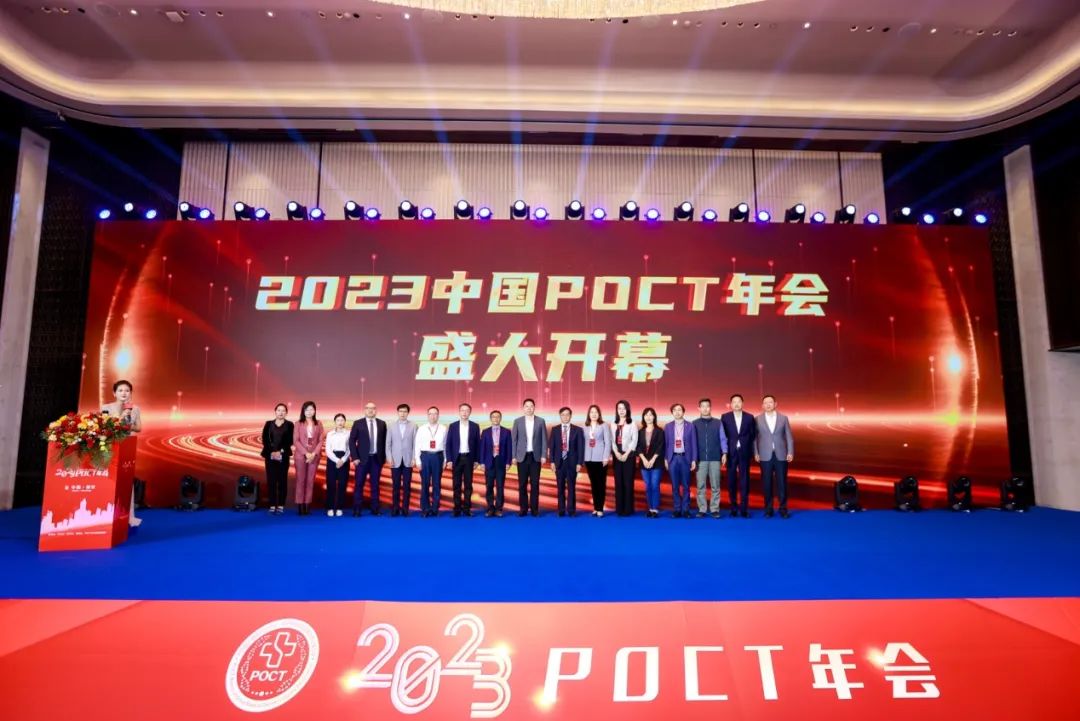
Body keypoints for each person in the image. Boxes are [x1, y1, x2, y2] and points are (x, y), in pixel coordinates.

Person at [102, 380, 143, 526]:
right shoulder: (106, 407)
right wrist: (121, 417)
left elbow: (139, 428)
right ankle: (106, 514)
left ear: (130, 393)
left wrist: (128, 423)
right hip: (111, 446)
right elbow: (104, 427)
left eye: (127, 390)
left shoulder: (135, 408)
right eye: (120, 390)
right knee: (110, 480)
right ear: (114, 393)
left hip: (127, 446)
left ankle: (126, 515)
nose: (124, 393)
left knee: (126, 480)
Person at [755, 394, 794, 518]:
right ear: (762, 405)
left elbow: (789, 437)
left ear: (775, 404)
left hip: (781, 455)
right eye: (765, 403)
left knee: (782, 483)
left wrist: (790, 452)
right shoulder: (757, 419)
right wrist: (756, 453)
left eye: (770, 402)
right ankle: (768, 509)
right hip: (764, 455)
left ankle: (783, 509)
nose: (768, 404)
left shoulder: (783, 418)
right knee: (766, 483)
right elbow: (754, 438)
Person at [721, 393, 757, 518]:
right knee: (731, 481)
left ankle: (744, 509)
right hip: (731, 453)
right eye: (734, 402)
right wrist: (724, 452)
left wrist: (750, 449)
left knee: (745, 481)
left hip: (744, 452)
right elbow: (723, 436)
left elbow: (753, 435)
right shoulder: (725, 417)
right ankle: (733, 508)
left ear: (742, 403)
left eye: (739, 401)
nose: (736, 404)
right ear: (731, 404)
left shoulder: (749, 417)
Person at [349, 402, 387, 516]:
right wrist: (355, 457)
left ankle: (375, 509)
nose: (370, 410)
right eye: (368, 408)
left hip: (376, 460)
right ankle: (357, 509)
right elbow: (352, 441)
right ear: (364, 410)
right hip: (361, 460)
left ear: (376, 410)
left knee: (375, 485)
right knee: (359, 485)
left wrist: (384, 458)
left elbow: (385, 442)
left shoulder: (382, 423)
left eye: (373, 408)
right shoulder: (358, 423)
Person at [511, 398, 547, 517]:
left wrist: (543, 455)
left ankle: (535, 509)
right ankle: (523, 509)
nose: (529, 408)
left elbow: (544, 439)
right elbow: (514, 440)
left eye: (531, 406)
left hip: (535, 457)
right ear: (523, 408)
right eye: (527, 406)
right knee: (522, 484)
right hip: (522, 457)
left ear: (534, 407)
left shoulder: (541, 421)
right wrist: (513, 456)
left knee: (535, 484)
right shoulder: (517, 421)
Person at [693, 398, 728, 518]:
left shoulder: (718, 422)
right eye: (702, 406)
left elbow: (723, 438)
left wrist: (724, 452)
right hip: (700, 459)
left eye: (707, 406)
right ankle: (702, 509)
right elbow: (692, 441)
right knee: (700, 486)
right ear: (699, 408)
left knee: (715, 485)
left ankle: (714, 509)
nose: (705, 408)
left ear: (710, 408)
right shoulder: (694, 423)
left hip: (715, 458)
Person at [446, 402, 481, 517]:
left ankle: (466, 509)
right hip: (456, 459)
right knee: (456, 485)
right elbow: (448, 444)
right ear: (459, 412)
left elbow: (478, 444)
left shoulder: (475, 426)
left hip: (469, 458)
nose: (464, 413)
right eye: (462, 410)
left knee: (468, 485)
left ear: (470, 412)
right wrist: (449, 459)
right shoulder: (453, 426)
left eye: (467, 410)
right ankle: (456, 509)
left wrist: (476, 460)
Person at [549, 407, 584, 517]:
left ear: (571, 416)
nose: (565, 416)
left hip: (572, 462)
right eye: (563, 414)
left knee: (571, 487)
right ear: (560, 416)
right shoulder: (555, 430)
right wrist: (552, 461)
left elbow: (581, 448)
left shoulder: (577, 430)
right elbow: (552, 447)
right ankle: (561, 510)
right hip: (559, 462)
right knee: (560, 487)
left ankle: (571, 510)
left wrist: (579, 463)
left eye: (567, 414)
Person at [664, 403, 696, 518]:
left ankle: (686, 509)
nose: (677, 412)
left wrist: (693, 460)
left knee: (686, 485)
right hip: (672, 458)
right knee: (675, 486)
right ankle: (677, 509)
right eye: (674, 410)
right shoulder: (668, 426)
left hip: (685, 458)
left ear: (683, 412)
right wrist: (666, 459)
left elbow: (694, 443)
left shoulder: (690, 426)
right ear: (672, 412)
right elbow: (666, 444)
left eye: (679, 410)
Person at [414, 406, 447, 517]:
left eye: (435, 414)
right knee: (425, 483)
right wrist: (418, 461)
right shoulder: (422, 428)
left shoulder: (443, 428)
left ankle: (435, 508)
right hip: (425, 457)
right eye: (430, 414)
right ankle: (425, 508)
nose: (433, 416)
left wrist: (445, 460)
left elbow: (445, 446)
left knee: (437, 484)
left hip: (438, 457)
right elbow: (417, 445)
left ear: (438, 415)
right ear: (427, 415)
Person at [260, 403, 293, 515]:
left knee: (282, 481)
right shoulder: (268, 424)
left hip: (283, 457)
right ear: (275, 412)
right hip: (270, 456)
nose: (281, 412)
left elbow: (290, 440)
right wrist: (272, 452)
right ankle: (272, 505)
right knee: (271, 481)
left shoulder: (290, 425)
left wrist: (280, 451)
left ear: (286, 413)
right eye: (279, 410)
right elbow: (264, 439)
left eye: (283, 410)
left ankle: (281, 505)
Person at [293, 401, 324, 516]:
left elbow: (321, 440)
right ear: (303, 411)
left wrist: (314, 453)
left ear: (315, 411)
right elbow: (296, 441)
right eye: (307, 410)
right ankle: (300, 505)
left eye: (311, 409)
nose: (309, 412)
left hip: (314, 456)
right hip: (301, 455)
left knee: (310, 481)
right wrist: (306, 453)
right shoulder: (298, 423)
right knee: (300, 481)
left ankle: (307, 505)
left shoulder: (318, 423)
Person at [478, 410, 512, 517]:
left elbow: (509, 448)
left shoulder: (507, 431)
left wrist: (508, 462)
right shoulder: (485, 432)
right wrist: (482, 462)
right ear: (490, 419)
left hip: (501, 461)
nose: (496, 419)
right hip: (489, 461)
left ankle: (498, 509)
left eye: (498, 417)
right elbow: (482, 448)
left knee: (500, 486)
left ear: (500, 418)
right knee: (489, 486)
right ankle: (490, 508)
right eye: (493, 417)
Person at [385, 403, 417, 517]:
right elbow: (388, 444)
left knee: (407, 486)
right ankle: (395, 508)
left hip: (408, 460)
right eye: (400, 411)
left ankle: (405, 509)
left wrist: (414, 458)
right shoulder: (391, 426)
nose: (402, 413)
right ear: (397, 412)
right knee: (396, 486)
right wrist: (389, 458)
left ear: (408, 413)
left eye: (405, 411)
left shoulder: (413, 426)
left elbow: (415, 444)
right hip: (395, 460)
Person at [582, 404, 612, 517]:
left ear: (599, 414)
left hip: (601, 459)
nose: (594, 414)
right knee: (593, 484)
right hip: (588, 459)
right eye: (591, 412)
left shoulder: (604, 426)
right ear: (588, 414)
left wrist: (606, 457)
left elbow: (608, 442)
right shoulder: (585, 427)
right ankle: (595, 508)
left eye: (596, 412)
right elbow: (583, 443)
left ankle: (600, 508)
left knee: (601, 484)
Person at [610, 399, 638, 517]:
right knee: (618, 483)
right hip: (617, 456)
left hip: (629, 456)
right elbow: (612, 440)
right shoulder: (613, 424)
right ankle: (619, 509)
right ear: (617, 410)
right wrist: (616, 453)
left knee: (628, 482)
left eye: (624, 408)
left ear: (628, 410)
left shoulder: (632, 423)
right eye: (619, 408)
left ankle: (628, 509)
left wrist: (626, 454)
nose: (621, 411)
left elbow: (634, 440)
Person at [637, 407, 666, 518]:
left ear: (654, 417)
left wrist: (653, 459)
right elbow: (638, 447)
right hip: (644, 463)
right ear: (643, 417)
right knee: (648, 486)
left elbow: (661, 446)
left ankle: (655, 509)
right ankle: (650, 508)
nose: (648, 417)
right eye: (646, 415)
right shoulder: (640, 432)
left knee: (654, 485)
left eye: (650, 415)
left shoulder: (659, 431)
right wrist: (644, 459)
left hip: (656, 462)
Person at [324, 413, 350, 517]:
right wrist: (336, 460)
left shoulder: (348, 433)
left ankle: (339, 508)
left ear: (344, 422)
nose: (340, 422)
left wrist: (342, 460)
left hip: (344, 459)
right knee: (331, 484)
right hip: (332, 460)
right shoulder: (330, 434)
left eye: (342, 420)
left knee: (342, 485)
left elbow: (349, 449)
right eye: (338, 420)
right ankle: (330, 508)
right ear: (335, 422)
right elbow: (328, 450)